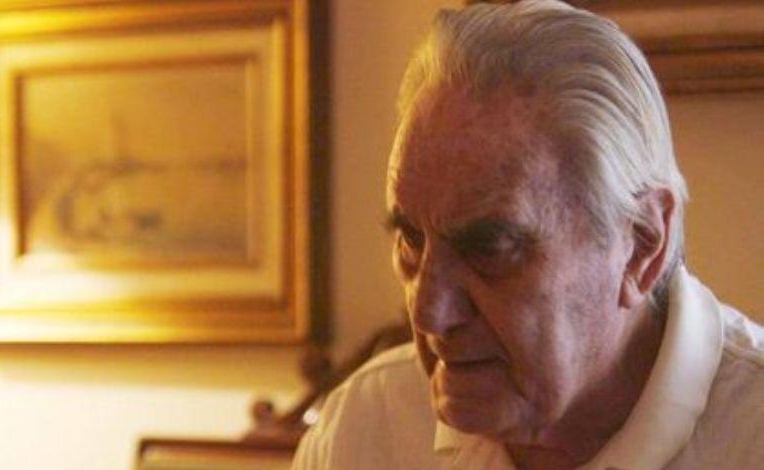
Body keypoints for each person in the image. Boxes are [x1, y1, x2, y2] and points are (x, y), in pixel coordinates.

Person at [291, 0, 763, 469]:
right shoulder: (365, 428)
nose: (429, 313)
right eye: (412, 241)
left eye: (489, 249)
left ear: (642, 244)